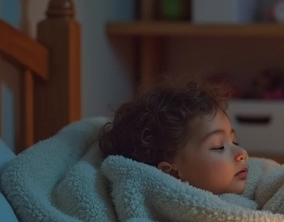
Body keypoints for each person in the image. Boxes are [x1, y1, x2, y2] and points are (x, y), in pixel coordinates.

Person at [99, 79, 249, 196]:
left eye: (234, 141)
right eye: (219, 147)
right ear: (171, 173)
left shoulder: (259, 182)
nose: (242, 153)